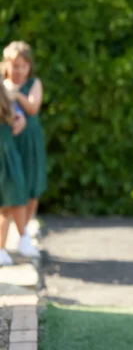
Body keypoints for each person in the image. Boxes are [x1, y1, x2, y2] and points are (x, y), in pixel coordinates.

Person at [2, 41, 46, 253]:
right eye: (14, 65)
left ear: (29, 66)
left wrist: (16, 95)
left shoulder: (33, 83)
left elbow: (32, 107)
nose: (18, 70)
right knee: (11, 190)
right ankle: (12, 234)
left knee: (30, 186)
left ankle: (23, 233)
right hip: (8, 144)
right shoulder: (3, 85)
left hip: (28, 142)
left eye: (23, 66)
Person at [0, 84, 37, 265]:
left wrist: (18, 116)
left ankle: (16, 242)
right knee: (6, 207)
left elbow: (19, 120)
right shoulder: (7, 101)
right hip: (6, 156)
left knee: (10, 204)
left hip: (6, 156)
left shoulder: (7, 101)